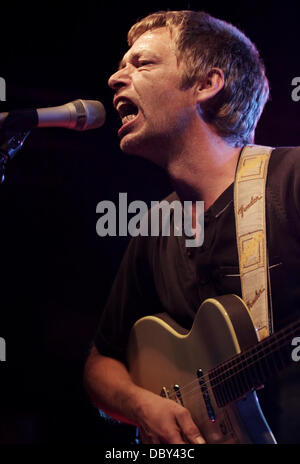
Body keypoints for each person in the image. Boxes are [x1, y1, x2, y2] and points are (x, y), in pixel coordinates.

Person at [84, 10, 300, 444]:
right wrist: (144, 405)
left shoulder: (292, 179)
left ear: (206, 84)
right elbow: (100, 363)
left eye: (141, 63)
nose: (114, 78)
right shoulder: (155, 227)